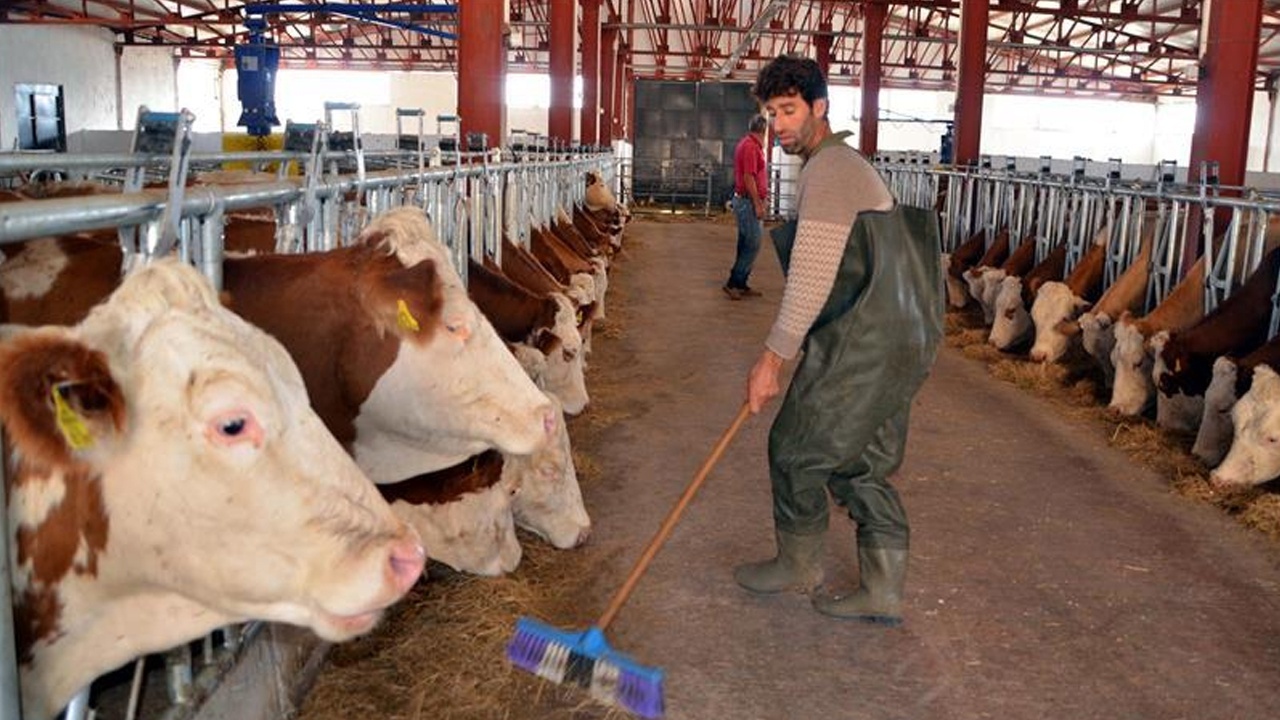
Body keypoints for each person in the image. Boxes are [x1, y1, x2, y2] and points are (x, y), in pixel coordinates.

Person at [732, 54, 944, 626]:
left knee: (796, 446)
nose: (778, 124)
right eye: (771, 112)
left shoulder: (828, 170)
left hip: (867, 336)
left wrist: (772, 359)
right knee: (862, 460)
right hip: (903, 333)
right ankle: (882, 588)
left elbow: (812, 275)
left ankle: (798, 566)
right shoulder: (842, 164)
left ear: (819, 108)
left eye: (789, 110)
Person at [723, 114, 770, 300]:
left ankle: (741, 283)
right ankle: (734, 282)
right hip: (748, 202)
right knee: (753, 243)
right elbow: (749, 177)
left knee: (745, 242)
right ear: (763, 131)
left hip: (745, 201)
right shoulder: (751, 147)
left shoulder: (748, 144)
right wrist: (758, 203)